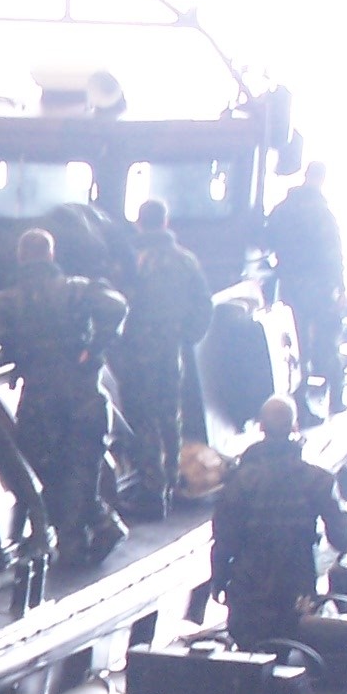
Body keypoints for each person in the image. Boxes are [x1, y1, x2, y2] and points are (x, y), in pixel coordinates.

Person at [0, 228, 128, 566]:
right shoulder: (77, 289)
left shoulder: (8, 300)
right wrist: (95, 348)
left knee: (44, 467)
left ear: (20, 257)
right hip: (85, 394)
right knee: (83, 467)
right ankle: (98, 524)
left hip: (42, 398)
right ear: (51, 255)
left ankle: (78, 536)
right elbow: (117, 306)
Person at [210, 396, 347, 652]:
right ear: (294, 427)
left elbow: (224, 540)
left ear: (261, 427)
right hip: (296, 587)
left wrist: (219, 580)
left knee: (249, 659)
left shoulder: (240, 482)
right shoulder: (317, 480)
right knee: (292, 651)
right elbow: (341, 537)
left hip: (250, 590)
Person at [118, 198, 213, 506]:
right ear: (166, 222)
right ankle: (172, 480)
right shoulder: (186, 260)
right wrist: (188, 336)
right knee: (170, 414)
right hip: (172, 348)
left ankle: (152, 488)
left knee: (141, 416)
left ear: (139, 222)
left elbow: (116, 302)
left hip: (136, 349)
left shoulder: (132, 260)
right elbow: (204, 303)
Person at [265, 162, 346, 415]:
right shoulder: (322, 214)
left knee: (295, 346)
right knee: (327, 341)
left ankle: (297, 405)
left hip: (289, 285)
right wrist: (340, 287)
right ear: (322, 179)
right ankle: (336, 400)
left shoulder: (283, 209)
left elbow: (267, 239)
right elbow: (333, 254)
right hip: (320, 287)